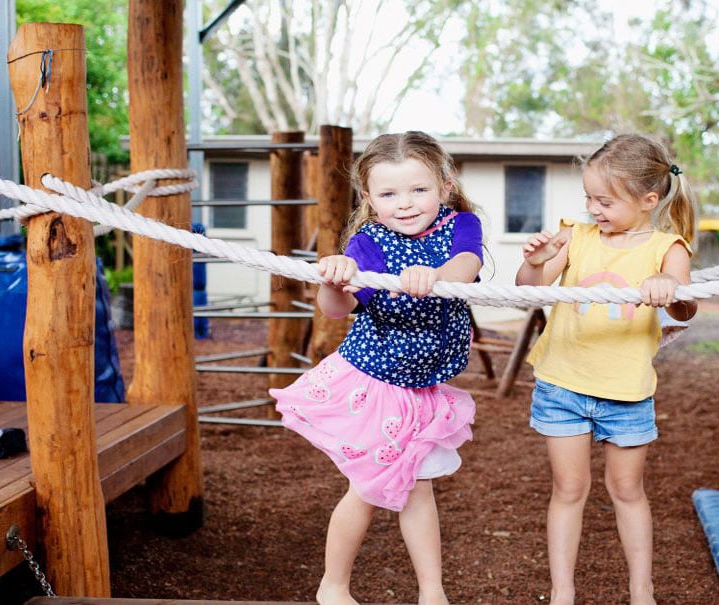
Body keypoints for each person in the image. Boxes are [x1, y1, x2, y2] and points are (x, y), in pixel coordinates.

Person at [269, 131, 483, 605]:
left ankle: (432, 592)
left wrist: (437, 277)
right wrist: (335, 278)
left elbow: (466, 266)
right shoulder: (369, 243)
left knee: (418, 488)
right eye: (389, 194)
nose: (404, 204)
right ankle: (333, 586)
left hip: (424, 388)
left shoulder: (461, 225)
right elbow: (335, 309)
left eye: (418, 190)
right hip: (375, 382)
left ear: (445, 186)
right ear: (369, 198)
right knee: (368, 487)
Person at [515, 134, 697, 605]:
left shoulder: (667, 247)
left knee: (627, 489)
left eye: (606, 200)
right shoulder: (575, 236)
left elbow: (686, 308)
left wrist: (667, 286)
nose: (594, 208)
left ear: (648, 200)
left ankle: (642, 590)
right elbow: (528, 290)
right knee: (568, 489)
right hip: (563, 384)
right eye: (589, 198)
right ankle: (562, 593)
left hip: (626, 391)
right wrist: (534, 263)